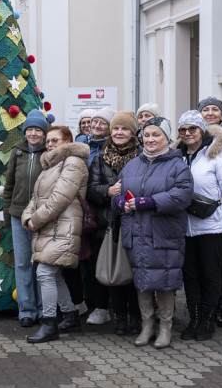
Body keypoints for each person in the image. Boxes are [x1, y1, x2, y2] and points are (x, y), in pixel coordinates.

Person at [116, 117, 193, 350]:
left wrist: (148, 202)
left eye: (156, 135)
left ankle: (165, 328)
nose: (150, 139)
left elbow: (182, 195)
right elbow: (117, 192)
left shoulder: (177, 165)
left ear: (167, 138)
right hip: (137, 234)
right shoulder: (132, 165)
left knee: (165, 281)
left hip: (163, 234)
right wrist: (121, 203)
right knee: (142, 280)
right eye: (147, 135)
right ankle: (147, 326)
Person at [175, 110, 222, 341]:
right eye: (183, 130)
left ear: (202, 130)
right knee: (190, 275)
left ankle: (207, 320)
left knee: (211, 274)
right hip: (184, 226)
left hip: (212, 226)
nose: (188, 133)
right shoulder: (176, 156)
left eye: (192, 129)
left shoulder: (218, 155)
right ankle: (193, 318)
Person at [23, 126, 90, 343]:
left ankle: (50, 324)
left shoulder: (74, 162)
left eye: (56, 140)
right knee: (54, 274)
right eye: (49, 141)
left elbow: (60, 199)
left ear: (68, 141)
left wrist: (36, 220)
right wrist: (27, 217)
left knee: (44, 273)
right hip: (49, 228)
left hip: (64, 228)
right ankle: (71, 315)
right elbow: (35, 198)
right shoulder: (49, 166)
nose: (50, 144)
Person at [87, 111, 140, 336]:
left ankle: (136, 317)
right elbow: (90, 190)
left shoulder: (142, 156)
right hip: (108, 223)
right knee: (114, 272)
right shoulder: (100, 158)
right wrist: (107, 191)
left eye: (125, 129)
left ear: (132, 133)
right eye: (116, 128)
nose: (119, 132)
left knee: (134, 274)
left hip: (135, 223)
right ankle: (119, 317)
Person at [3, 110, 49, 327]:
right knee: (22, 264)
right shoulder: (17, 152)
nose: (33, 133)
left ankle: (43, 309)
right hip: (18, 215)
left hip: (43, 216)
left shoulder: (49, 152)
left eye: (37, 129)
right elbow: (9, 185)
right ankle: (27, 311)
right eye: (29, 129)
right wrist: (7, 212)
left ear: (44, 133)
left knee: (41, 263)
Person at [197, 96, 222, 322]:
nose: (210, 113)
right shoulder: (192, 136)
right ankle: (202, 307)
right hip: (196, 211)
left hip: (220, 209)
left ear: (221, 113)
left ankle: (219, 309)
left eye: (215, 109)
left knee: (219, 266)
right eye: (206, 110)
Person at [80, 107, 115, 324]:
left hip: (105, 210)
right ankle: (93, 301)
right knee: (89, 259)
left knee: (107, 259)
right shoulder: (82, 146)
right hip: (85, 209)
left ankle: (108, 305)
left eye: (103, 123)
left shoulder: (111, 150)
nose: (97, 126)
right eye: (94, 122)